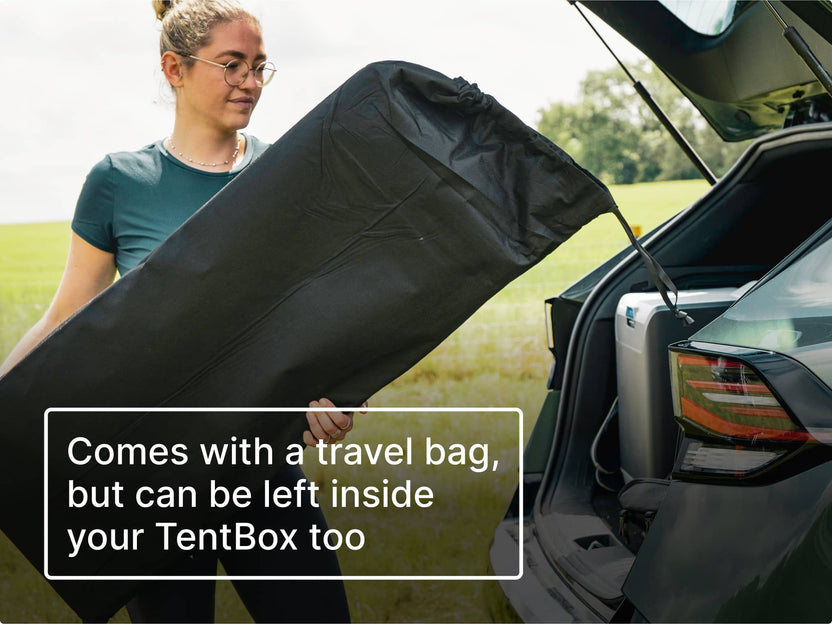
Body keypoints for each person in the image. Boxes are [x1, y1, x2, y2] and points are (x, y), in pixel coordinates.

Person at [0, 0, 354, 621]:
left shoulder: (287, 171)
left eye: (260, 67)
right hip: (151, 482)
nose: (250, 82)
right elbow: (65, 316)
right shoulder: (119, 180)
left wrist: (342, 397)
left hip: (262, 468)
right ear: (175, 68)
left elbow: (319, 314)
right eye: (233, 64)